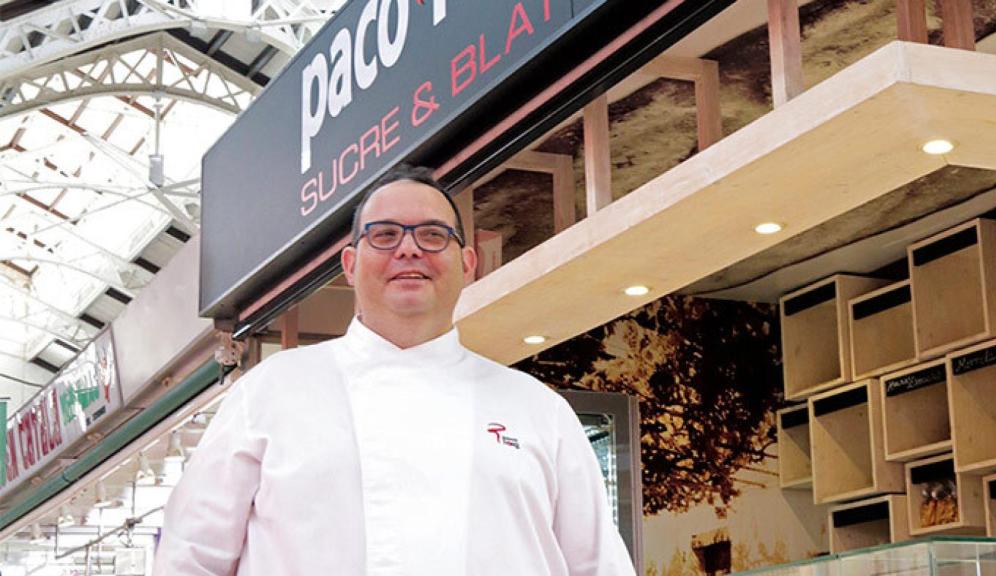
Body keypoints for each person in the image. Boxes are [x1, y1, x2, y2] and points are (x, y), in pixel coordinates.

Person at [153, 164, 636, 575]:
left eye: (433, 235)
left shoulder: (537, 410)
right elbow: (190, 556)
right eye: (384, 235)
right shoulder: (270, 391)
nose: (409, 250)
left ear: (468, 264)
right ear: (349, 264)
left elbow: (598, 565)